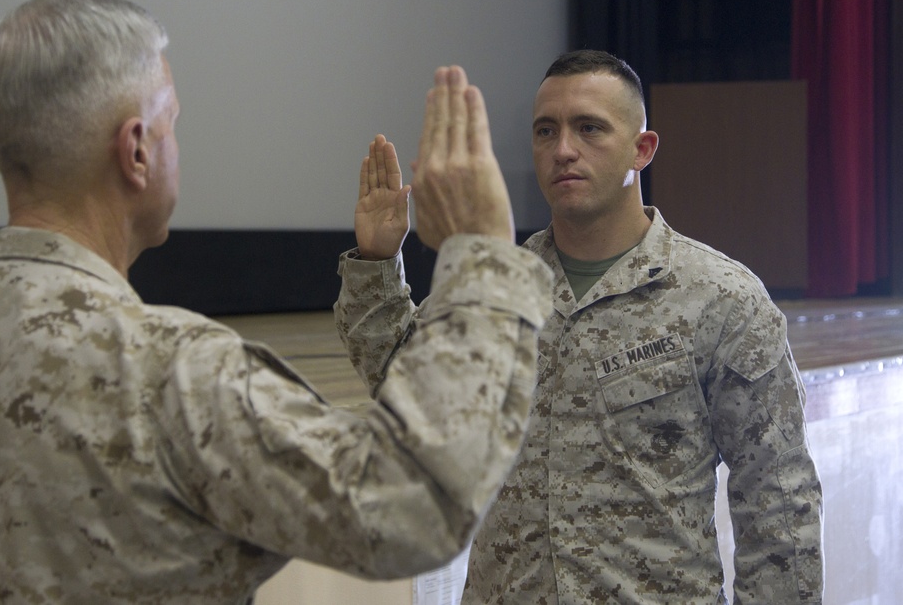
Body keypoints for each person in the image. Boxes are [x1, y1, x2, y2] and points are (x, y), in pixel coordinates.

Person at [0, 0, 554, 603]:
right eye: (172, 125)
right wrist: (483, 257)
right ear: (136, 150)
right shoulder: (175, 377)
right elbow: (414, 504)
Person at [335, 49, 824, 603]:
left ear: (642, 150)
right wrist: (377, 263)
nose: (563, 150)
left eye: (589, 128)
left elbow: (779, 501)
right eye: (546, 131)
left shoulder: (722, 300)